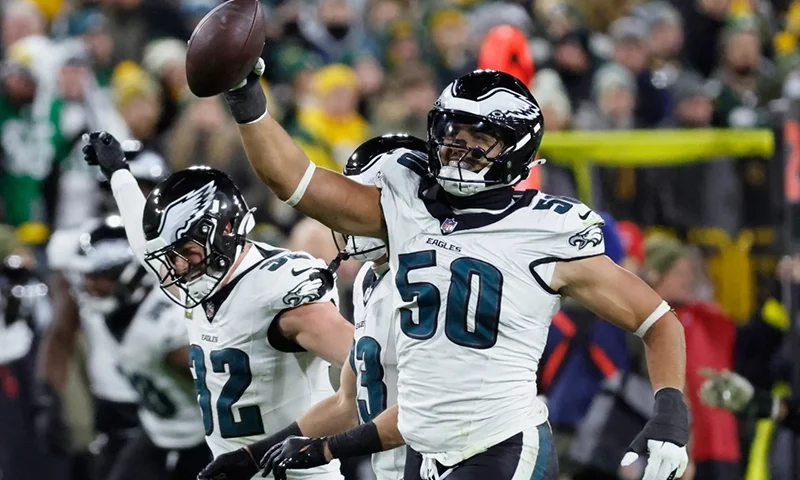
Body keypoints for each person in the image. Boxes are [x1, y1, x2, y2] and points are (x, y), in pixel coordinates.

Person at [214, 60, 690, 480]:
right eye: (451, 134)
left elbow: (657, 320)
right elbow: (294, 181)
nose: (459, 148)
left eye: (479, 138)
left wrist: (670, 409)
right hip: (429, 454)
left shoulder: (546, 229)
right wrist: (246, 98)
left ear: (516, 149)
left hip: (503, 442)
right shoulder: (406, 205)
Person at [81, 135, 355, 480]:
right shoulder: (197, 270)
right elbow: (145, 242)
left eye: (187, 251)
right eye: (171, 256)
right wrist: (119, 172)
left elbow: (371, 367)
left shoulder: (279, 292)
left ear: (226, 229)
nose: (177, 267)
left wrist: (272, 451)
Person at [197, 133, 426, 480]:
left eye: (364, 199)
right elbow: (346, 404)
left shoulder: (433, 281)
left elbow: (430, 410)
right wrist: (251, 456)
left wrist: (327, 449)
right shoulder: (370, 277)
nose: (345, 213)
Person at [70, 215, 212, 480]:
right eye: (87, 275)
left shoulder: (165, 324)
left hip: (200, 437)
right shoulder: (107, 312)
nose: (90, 285)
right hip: (157, 428)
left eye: (100, 275)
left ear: (131, 271)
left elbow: (218, 385)